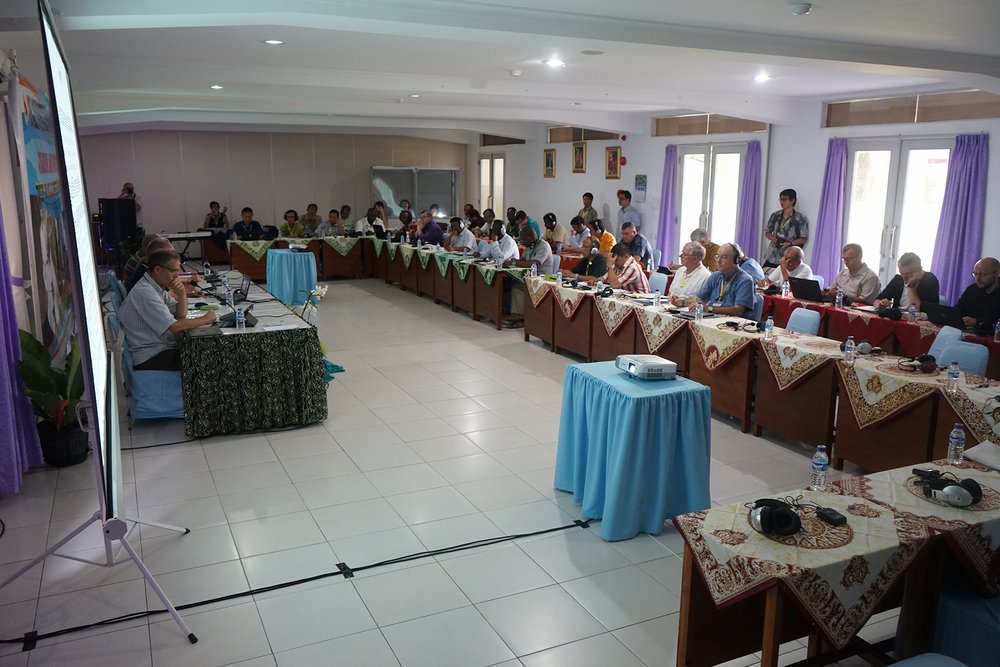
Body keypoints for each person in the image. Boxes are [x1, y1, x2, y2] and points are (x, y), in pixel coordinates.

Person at [118, 250, 216, 371]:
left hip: (161, 349)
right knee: (212, 357)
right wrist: (206, 319)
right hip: (151, 357)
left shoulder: (155, 287)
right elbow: (174, 326)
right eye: (173, 271)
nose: (176, 276)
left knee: (210, 349)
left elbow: (180, 315)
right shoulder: (145, 292)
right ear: (158, 270)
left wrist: (181, 293)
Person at [686, 243, 756, 318]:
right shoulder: (715, 276)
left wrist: (709, 308)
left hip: (734, 322)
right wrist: (683, 302)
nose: (718, 261)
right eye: (717, 256)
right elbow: (699, 298)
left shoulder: (745, 280)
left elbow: (738, 310)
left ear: (736, 260)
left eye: (724, 257)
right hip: (713, 318)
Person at [873, 252, 939, 312]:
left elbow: (916, 310)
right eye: (901, 273)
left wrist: (911, 286)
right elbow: (877, 300)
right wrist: (880, 304)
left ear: (919, 270)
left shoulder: (929, 280)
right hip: (898, 317)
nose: (904, 277)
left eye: (908, 274)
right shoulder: (898, 279)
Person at [762, 189, 809, 268]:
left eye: (784, 199)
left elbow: (803, 239)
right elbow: (767, 232)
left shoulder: (800, 219)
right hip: (772, 254)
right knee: (765, 273)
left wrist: (790, 243)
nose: (782, 202)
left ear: (792, 200)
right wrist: (771, 238)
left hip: (789, 256)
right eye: (780, 199)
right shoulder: (775, 215)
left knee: (784, 275)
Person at [956, 257, 1000, 329]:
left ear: (997, 273)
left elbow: (996, 322)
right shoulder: (971, 290)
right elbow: (958, 310)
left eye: (983, 275)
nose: (977, 279)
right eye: (975, 274)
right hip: (967, 331)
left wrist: (977, 322)